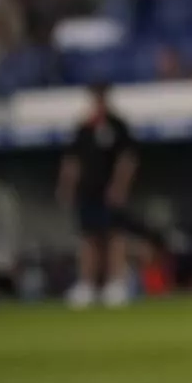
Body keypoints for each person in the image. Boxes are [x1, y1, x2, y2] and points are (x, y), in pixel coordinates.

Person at [58, 85, 140, 308]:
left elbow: (127, 159)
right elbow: (72, 160)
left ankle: (116, 283)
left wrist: (120, 186)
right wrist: (67, 186)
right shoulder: (84, 128)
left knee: (114, 236)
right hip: (88, 190)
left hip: (109, 191)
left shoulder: (117, 126)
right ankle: (87, 284)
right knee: (88, 237)